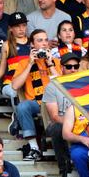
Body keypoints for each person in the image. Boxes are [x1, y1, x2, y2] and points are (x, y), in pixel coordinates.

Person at [10, 28, 61, 160]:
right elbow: (15, 86)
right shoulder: (23, 63)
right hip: (35, 103)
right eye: (39, 40)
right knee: (22, 106)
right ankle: (34, 147)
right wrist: (30, 64)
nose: (44, 43)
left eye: (45, 40)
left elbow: (62, 85)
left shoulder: (55, 61)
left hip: (54, 103)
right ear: (32, 44)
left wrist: (50, 64)